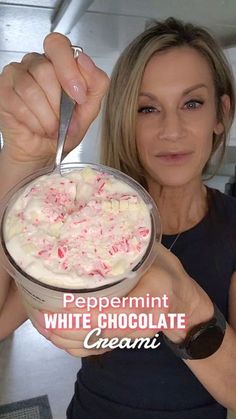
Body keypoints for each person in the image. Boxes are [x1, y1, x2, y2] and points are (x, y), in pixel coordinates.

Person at [0, 16, 236, 419]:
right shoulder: (87, 220)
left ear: (221, 113)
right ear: (127, 116)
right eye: (147, 108)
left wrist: (185, 303)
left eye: (192, 103)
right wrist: (22, 159)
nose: (171, 129)